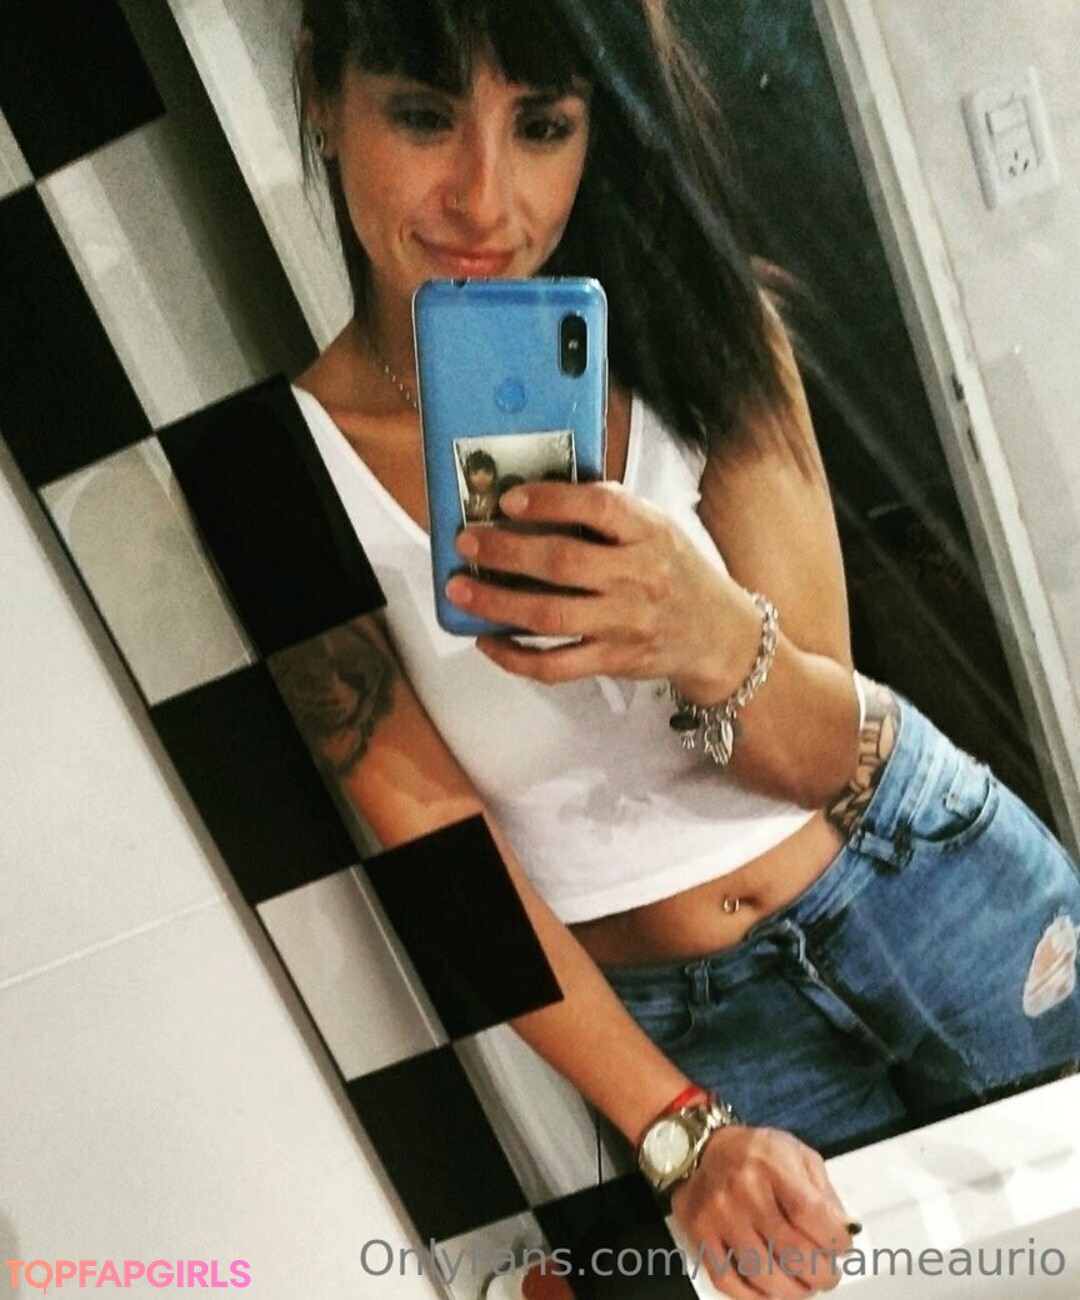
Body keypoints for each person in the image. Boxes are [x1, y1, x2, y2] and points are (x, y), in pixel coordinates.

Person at [282, 1, 1080, 1294]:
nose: (485, 197)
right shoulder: (284, 482)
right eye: (425, 117)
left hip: (934, 881)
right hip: (696, 1033)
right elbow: (446, 865)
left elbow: (817, 758)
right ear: (327, 102)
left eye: (544, 126)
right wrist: (681, 1132)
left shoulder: (708, 334)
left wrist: (702, 631)